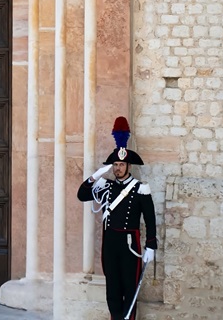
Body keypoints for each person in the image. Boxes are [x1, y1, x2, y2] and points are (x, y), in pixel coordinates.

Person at [77, 116, 157, 320]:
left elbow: (150, 218)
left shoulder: (140, 188)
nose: (118, 168)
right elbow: (82, 195)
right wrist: (95, 176)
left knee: (130, 286)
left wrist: (151, 246)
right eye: (115, 164)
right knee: (112, 287)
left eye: (122, 164)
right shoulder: (106, 186)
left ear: (129, 166)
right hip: (110, 242)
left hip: (130, 244)